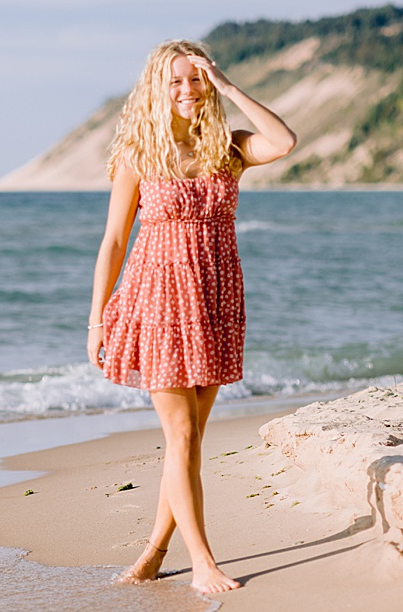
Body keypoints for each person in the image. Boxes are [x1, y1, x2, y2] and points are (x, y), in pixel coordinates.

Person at [87, 39, 296, 593]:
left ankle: (153, 555)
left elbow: (284, 140)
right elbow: (112, 242)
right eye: (176, 80)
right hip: (157, 300)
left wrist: (228, 84)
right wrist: (96, 320)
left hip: (216, 300)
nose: (187, 90)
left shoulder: (227, 150)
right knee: (180, 435)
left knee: (191, 440)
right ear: (158, 88)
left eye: (196, 79)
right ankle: (203, 562)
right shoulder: (139, 154)